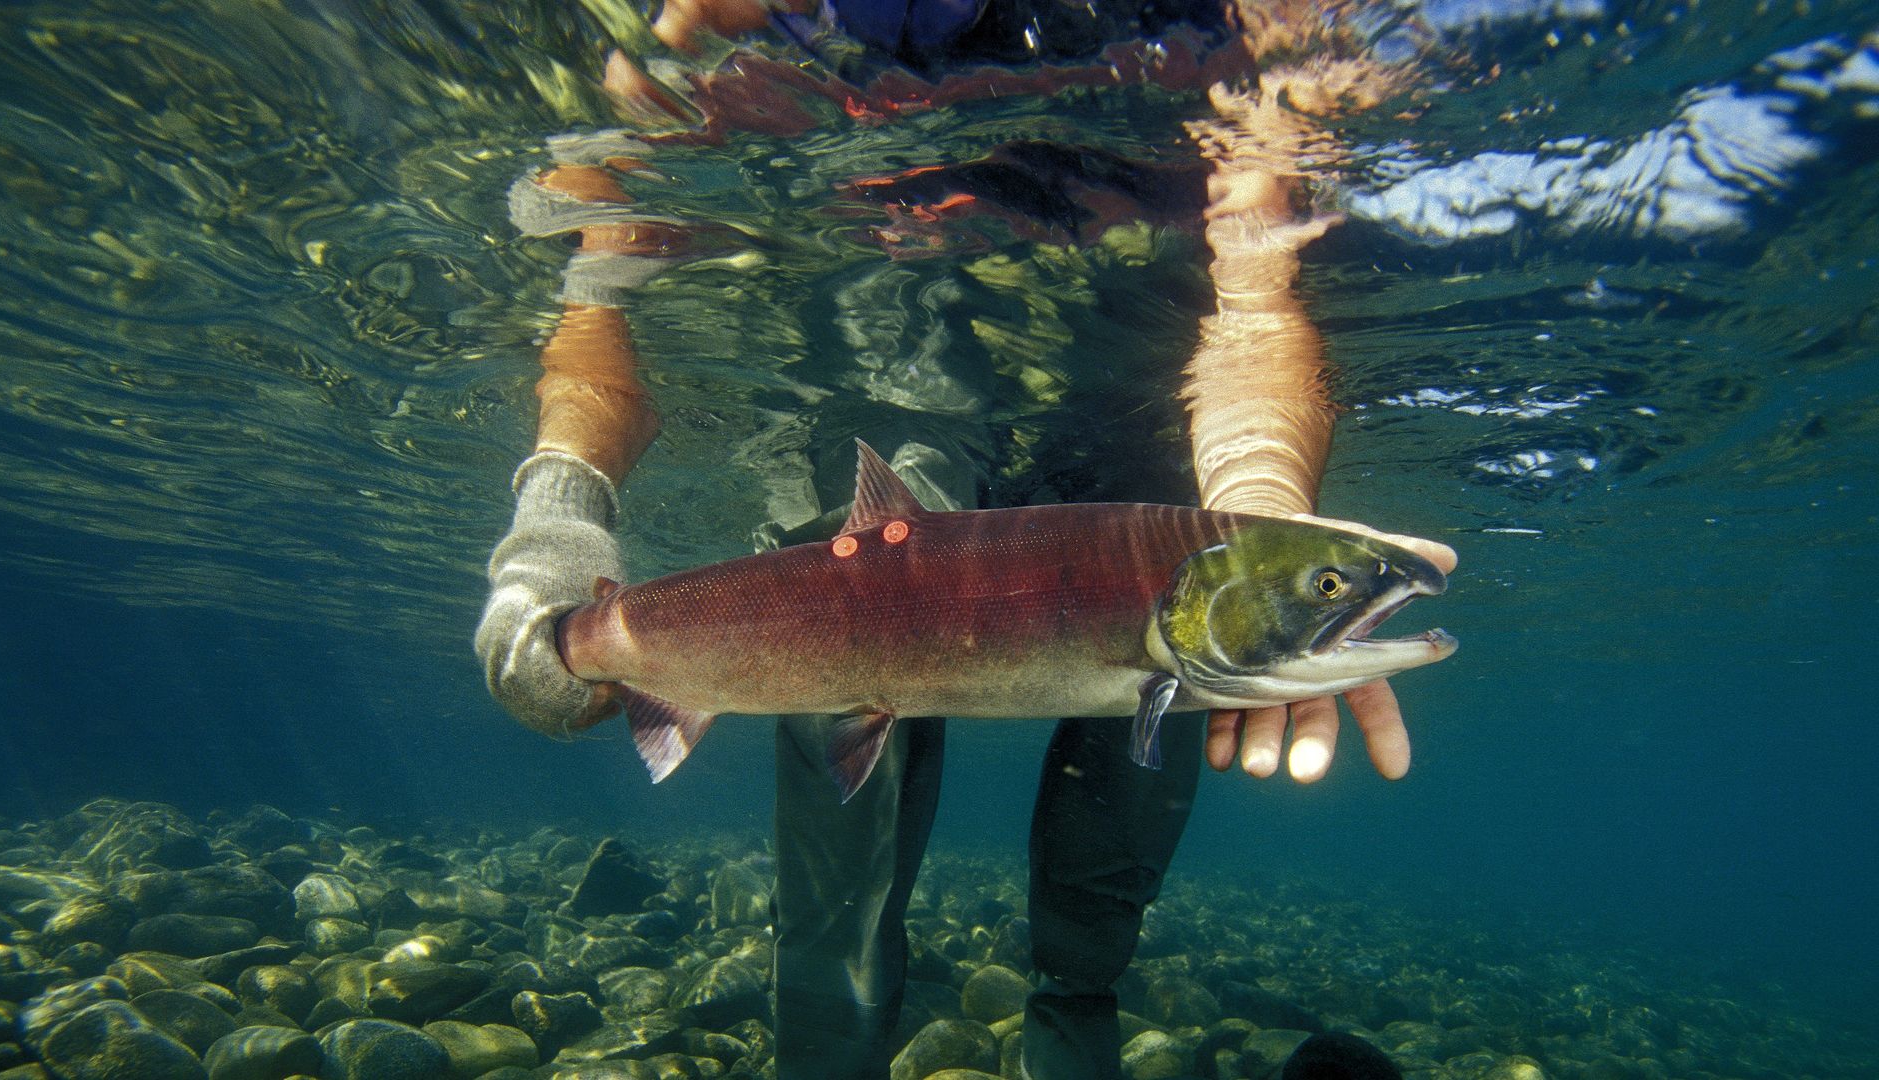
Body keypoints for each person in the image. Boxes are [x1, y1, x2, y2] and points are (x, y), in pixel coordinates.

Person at [475, 3, 1457, 1077]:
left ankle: (1075, 1021)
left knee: (1158, 718)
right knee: (854, 682)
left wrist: (1258, 513)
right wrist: (556, 523)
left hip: (1141, 412)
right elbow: (600, 268)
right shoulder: (715, 27)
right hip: (895, 359)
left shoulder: (1268, 30)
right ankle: (826, 1045)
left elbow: (1259, 304)